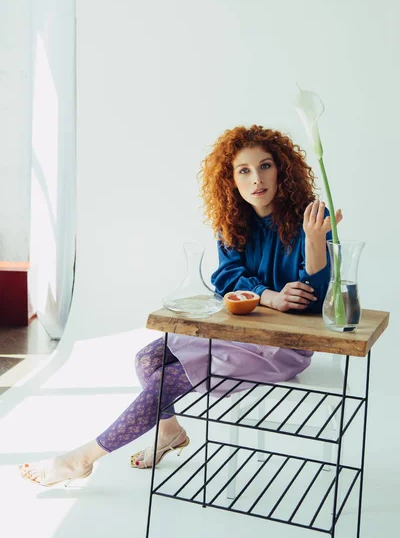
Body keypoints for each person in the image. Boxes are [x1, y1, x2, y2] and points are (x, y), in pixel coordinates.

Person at [20, 125, 342, 486]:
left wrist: (316, 240)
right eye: (244, 170)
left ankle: (81, 459)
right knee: (147, 359)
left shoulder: (311, 218)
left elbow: (314, 303)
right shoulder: (234, 221)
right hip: (236, 331)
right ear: (231, 179)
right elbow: (226, 277)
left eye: (265, 166)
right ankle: (169, 431)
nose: (257, 179)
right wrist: (269, 296)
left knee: (165, 380)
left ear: (282, 169)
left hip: (280, 346)